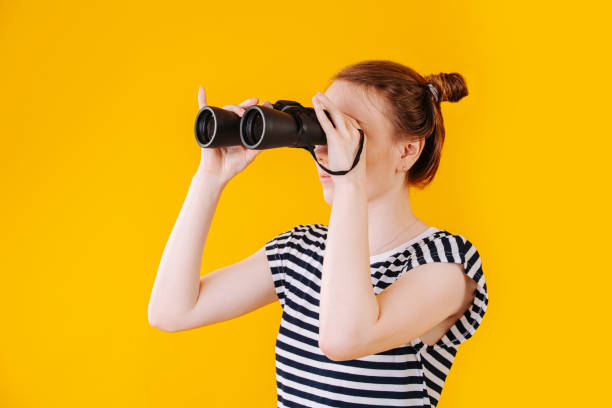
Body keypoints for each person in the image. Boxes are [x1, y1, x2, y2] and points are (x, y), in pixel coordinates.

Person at [148, 59, 489, 408]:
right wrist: (210, 178)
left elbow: (344, 338)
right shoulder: (301, 251)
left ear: (407, 151)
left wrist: (349, 185)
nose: (324, 150)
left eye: (348, 134)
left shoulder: (445, 265)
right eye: (320, 130)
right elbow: (171, 312)